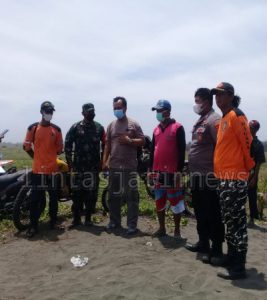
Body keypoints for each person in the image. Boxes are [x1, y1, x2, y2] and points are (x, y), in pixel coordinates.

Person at [211, 82, 255, 280]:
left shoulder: (237, 115)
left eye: (220, 95)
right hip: (223, 178)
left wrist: (248, 172)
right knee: (229, 220)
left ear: (230, 96)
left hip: (235, 178)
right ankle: (231, 257)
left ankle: (239, 266)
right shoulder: (224, 118)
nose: (217, 98)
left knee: (236, 222)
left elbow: (249, 146)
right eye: (216, 95)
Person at [185, 88, 225, 263]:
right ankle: (203, 243)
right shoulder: (200, 120)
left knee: (213, 212)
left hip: (209, 175)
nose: (196, 104)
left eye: (198, 101)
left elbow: (221, 146)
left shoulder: (214, 119)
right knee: (200, 211)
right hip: (196, 175)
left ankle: (216, 249)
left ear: (207, 102)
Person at [102, 96, 145, 235]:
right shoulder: (111, 125)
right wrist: (105, 162)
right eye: (115, 108)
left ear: (125, 108)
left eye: (119, 107)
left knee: (131, 196)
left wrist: (130, 140)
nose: (117, 110)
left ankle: (132, 225)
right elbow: (107, 145)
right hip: (114, 166)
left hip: (129, 166)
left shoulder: (134, 124)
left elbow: (142, 141)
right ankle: (114, 221)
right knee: (113, 196)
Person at [23, 101, 63, 238]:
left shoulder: (56, 130)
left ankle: (53, 222)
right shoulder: (32, 128)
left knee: (53, 198)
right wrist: (37, 158)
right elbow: (26, 147)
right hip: (38, 172)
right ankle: (33, 226)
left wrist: (48, 157)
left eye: (51, 111)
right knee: (35, 199)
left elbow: (59, 150)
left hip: (52, 171)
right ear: (41, 111)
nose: (49, 114)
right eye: (47, 111)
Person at [150, 99, 186, 240]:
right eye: (156, 111)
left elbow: (182, 150)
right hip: (157, 172)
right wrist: (150, 170)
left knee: (175, 201)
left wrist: (178, 171)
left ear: (167, 111)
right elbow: (153, 150)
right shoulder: (156, 129)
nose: (157, 114)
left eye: (159, 111)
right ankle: (162, 228)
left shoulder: (178, 128)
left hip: (172, 172)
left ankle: (177, 231)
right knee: (159, 200)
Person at [65, 103, 105, 227]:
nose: (91, 113)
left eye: (92, 111)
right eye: (88, 112)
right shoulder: (75, 127)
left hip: (93, 168)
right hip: (78, 168)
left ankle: (88, 219)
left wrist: (102, 162)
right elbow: (67, 145)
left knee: (91, 194)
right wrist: (70, 164)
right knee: (77, 194)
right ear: (83, 113)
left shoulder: (99, 128)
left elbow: (105, 145)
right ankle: (76, 219)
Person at [247, 120, 266, 225]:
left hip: (252, 174)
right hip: (240, 173)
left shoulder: (258, 145)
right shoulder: (244, 140)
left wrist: (254, 178)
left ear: (256, 130)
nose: (249, 129)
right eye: (248, 127)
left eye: (251, 128)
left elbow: (259, 162)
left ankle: (252, 219)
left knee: (252, 197)